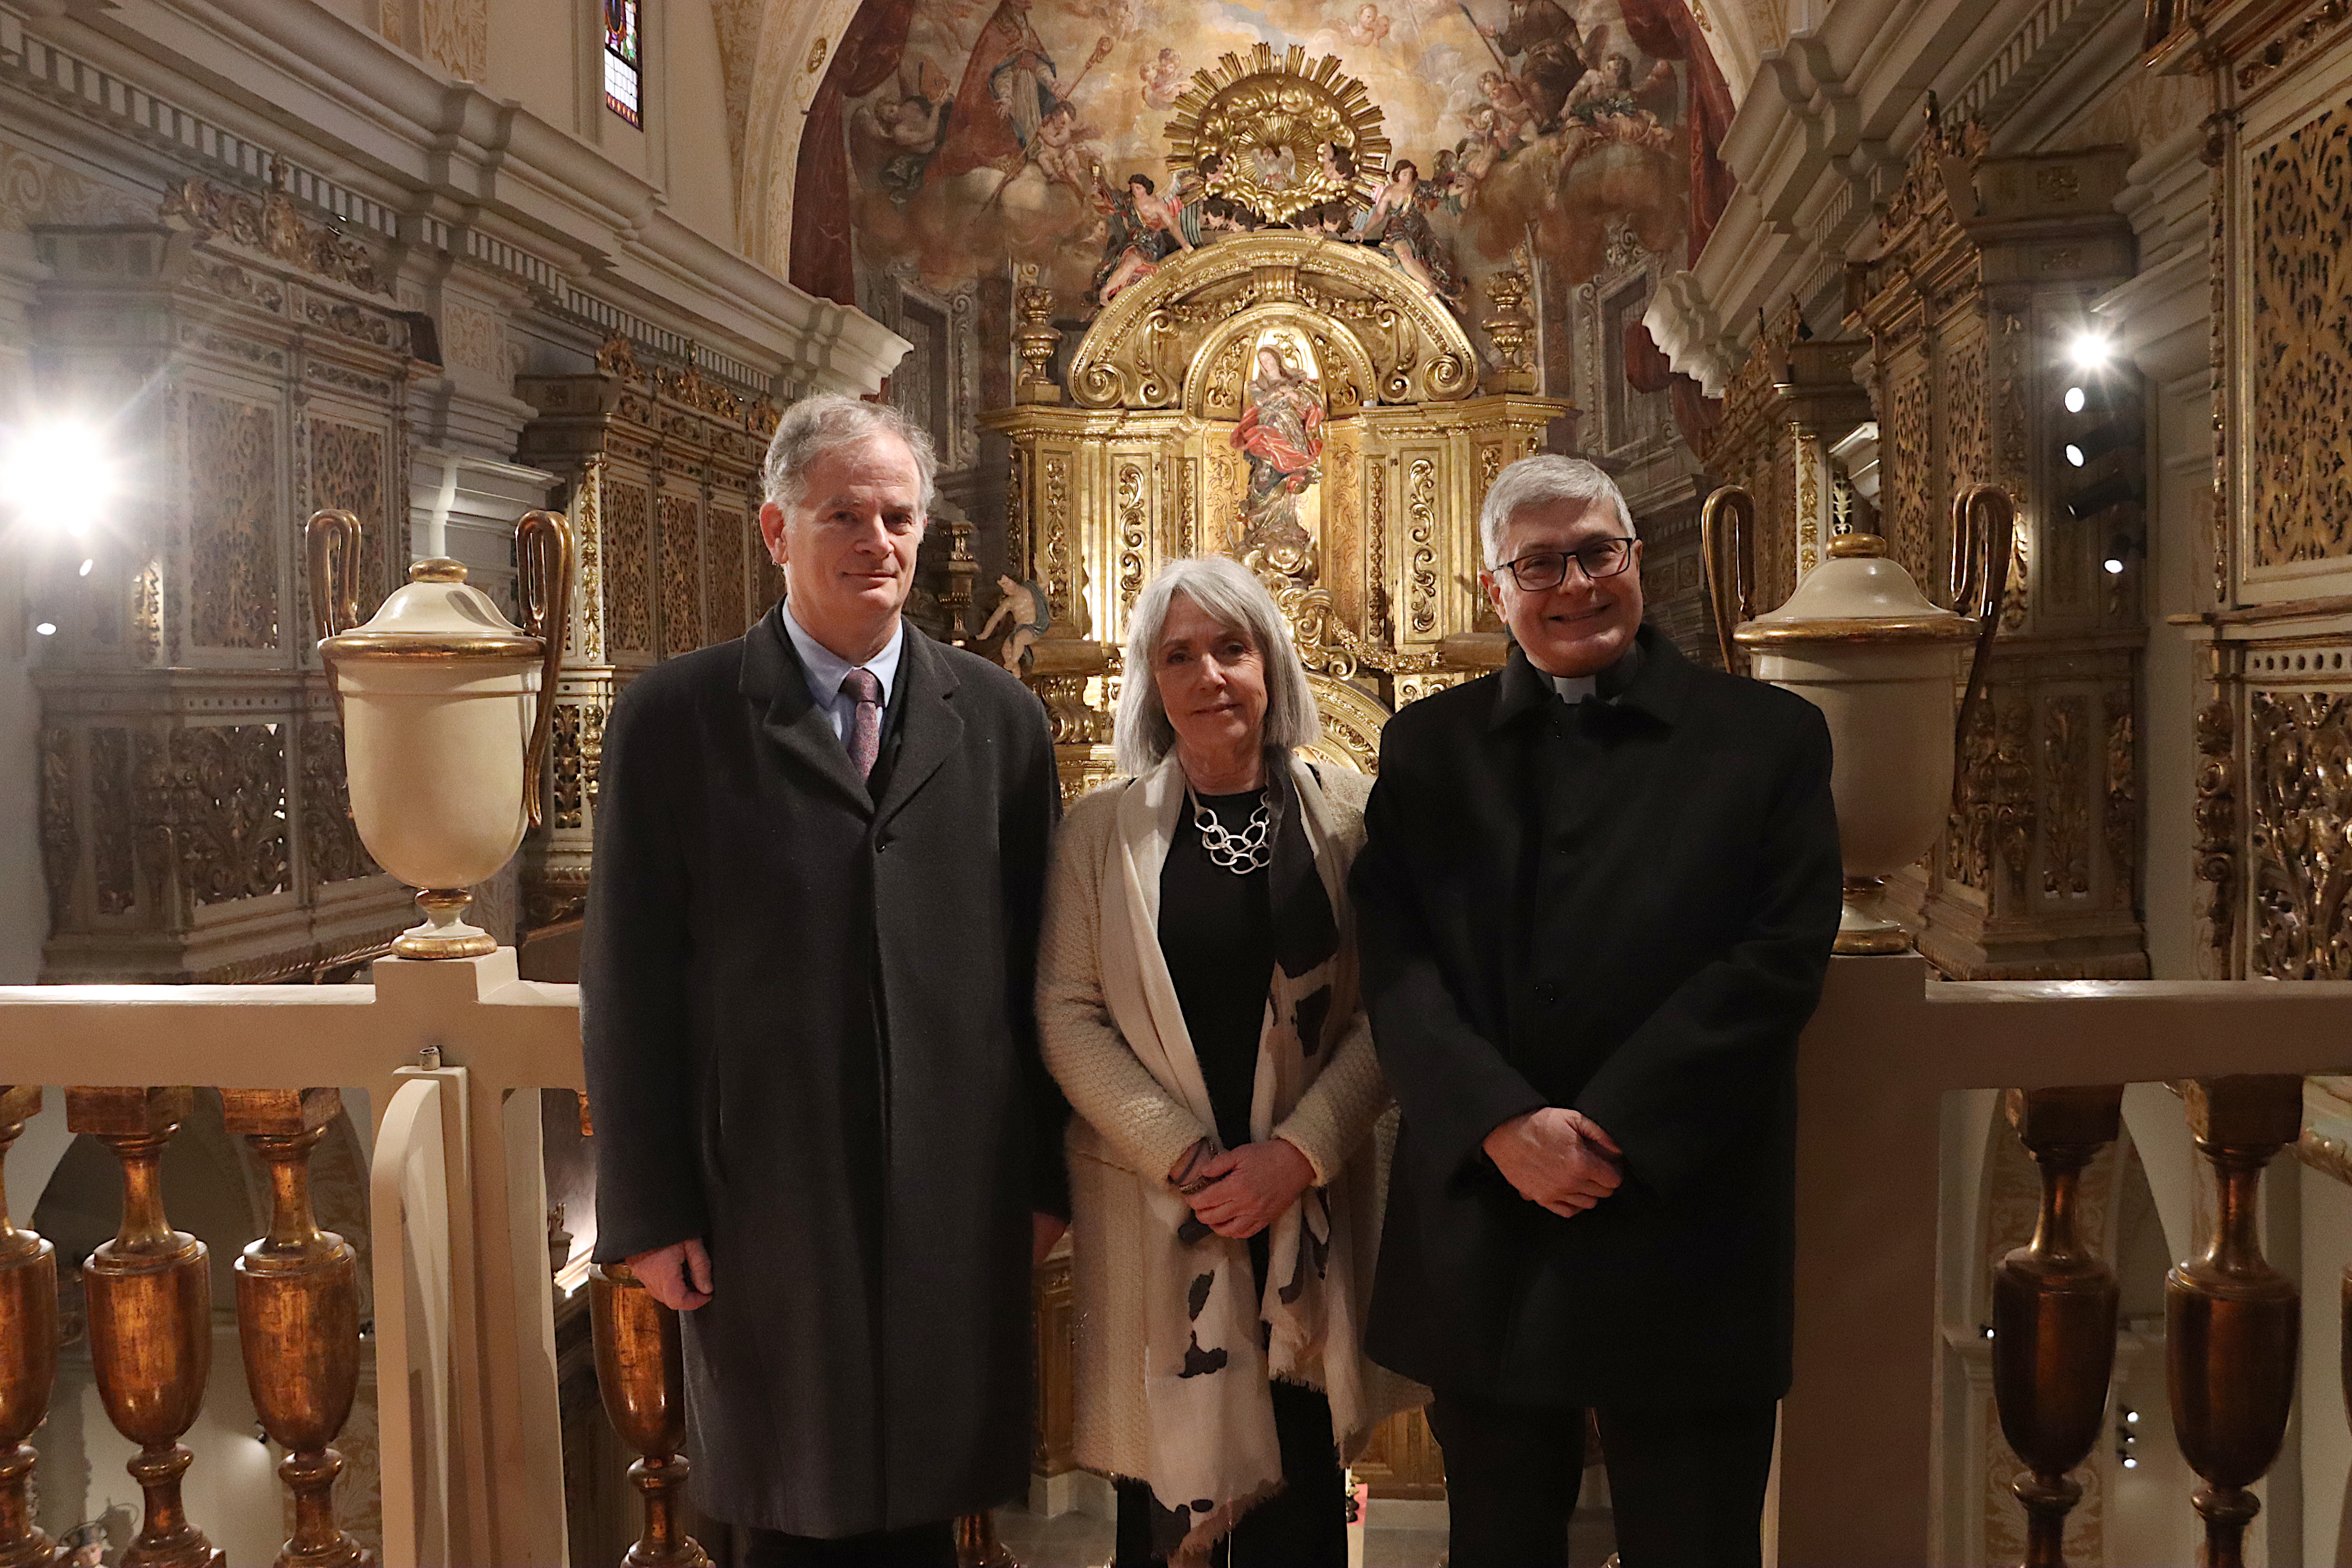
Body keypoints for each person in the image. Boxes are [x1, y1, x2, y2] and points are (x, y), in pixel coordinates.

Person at [582, 395, 1070, 1567]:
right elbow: (631, 982)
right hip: (765, 1197)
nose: (878, 540)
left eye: (899, 515)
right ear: (775, 529)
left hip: (954, 1195)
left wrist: (1045, 1175)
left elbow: (1047, 971)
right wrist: (649, 1210)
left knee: (935, 1512)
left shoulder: (999, 720)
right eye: (844, 513)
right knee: (789, 1513)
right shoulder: (675, 718)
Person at [1352, 455, 1842, 1568]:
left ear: (1636, 559)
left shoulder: (1767, 736)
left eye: (1596, 553)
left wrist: (1610, 1124)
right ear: (1496, 587)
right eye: (1540, 563)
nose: (1573, 584)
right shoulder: (1430, 749)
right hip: (1491, 1218)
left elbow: (1776, 959)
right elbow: (1397, 962)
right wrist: (1500, 1123)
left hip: (1687, 1219)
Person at [1036, 557, 1418, 1567]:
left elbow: (1393, 1014)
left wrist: (1294, 1156)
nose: (1209, 675)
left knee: (1299, 1512)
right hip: (1160, 1218)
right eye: (1180, 655)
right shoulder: (1096, 833)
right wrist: (1187, 1162)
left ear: (1271, 665)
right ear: (1151, 682)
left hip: (1306, 1218)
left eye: (1232, 648)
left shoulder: (1350, 815)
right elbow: (1068, 1014)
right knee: (1160, 1522)